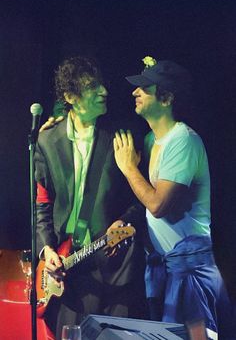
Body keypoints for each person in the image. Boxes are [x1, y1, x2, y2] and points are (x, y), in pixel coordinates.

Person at [113, 56, 234, 339]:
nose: (135, 92)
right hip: (165, 268)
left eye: (145, 88)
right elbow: (143, 198)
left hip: (190, 272)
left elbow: (157, 205)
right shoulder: (150, 141)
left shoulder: (184, 141)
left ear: (166, 98)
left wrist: (129, 168)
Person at [34, 56, 146, 339]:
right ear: (70, 97)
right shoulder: (47, 141)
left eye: (102, 85)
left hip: (111, 269)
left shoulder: (120, 136)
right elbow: (42, 206)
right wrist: (46, 250)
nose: (103, 92)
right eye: (92, 87)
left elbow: (139, 198)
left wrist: (124, 220)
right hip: (66, 271)